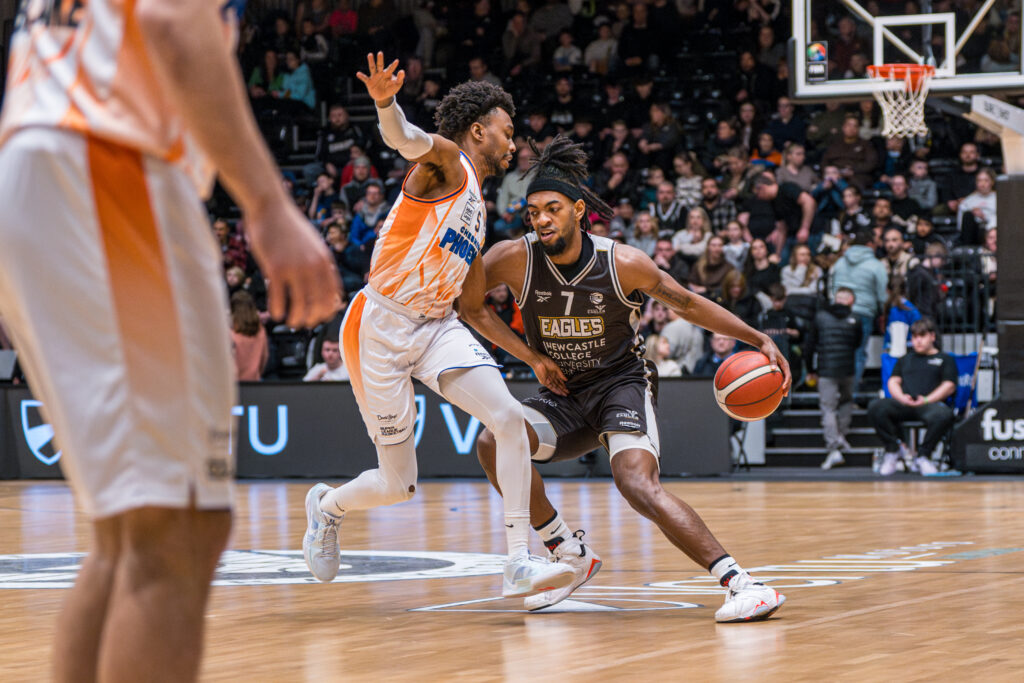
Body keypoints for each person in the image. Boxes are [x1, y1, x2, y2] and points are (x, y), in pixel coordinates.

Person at [0, 2, 339, 680]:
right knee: (175, 533)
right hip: (107, 162)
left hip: (47, 159)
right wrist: (268, 203)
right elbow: (169, 19)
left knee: (133, 535)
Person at [475, 135, 790, 620]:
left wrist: (755, 336)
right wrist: (529, 357)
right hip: (562, 391)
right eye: (532, 211)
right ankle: (569, 554)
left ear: (579, 210)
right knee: (493, 443)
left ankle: (742, 583)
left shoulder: (622, 263)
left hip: (622, 384)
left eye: (552, 208)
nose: (540, 219)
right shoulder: (513, 257)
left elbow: (686, 302)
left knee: (636, 484)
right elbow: (467, 305)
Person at [302, 53, 575, 598]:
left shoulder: (477, 208)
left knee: (508, 419)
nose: (513, 142)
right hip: (379, 325)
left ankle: (519, 560)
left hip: (436, 327)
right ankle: (327, 507)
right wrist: (384, 102)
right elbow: (405, 137)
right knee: (398, 484)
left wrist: (534, 359)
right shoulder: (448, 163)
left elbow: (473, 310)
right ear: (479, 128)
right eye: (507, 130)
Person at [868, 318, 956, 476]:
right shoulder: (905, 359)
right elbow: (893, 381)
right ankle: (893, 450)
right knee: (876, 407)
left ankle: (923, 456)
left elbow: (949, 385)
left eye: (922, 336)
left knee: (944, 415)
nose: (918, 341)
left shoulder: (945, 359)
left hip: (929, 404)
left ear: (932, 337)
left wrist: (928, 399)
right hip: (905, 403)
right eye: (915, 337)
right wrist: (901, 397)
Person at [805, 288, 862, 470]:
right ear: (851, 300)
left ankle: (834, 446)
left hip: (826, 370)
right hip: (848, 370)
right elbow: (857, 344)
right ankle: (840, 437)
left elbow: (809, 345)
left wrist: (811, 369)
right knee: (846, 402)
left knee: (828, 408)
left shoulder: (821, 317)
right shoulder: (856, 319)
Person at [830, 231, 888, 387]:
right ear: (870, 245)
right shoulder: (876, 265)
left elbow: (831, 287)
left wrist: (835, 303)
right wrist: (883, 312)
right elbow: (882, 294)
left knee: (838, 352)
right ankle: (850, 395)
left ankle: (835, 393)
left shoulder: (840, 262)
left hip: (838, 312)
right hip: (863, 313)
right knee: (858, 353)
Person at [230, 291, 269, 381]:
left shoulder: (229, 332)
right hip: (254, 382)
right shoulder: (261, 330)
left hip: (234, 383)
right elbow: (264, 357)